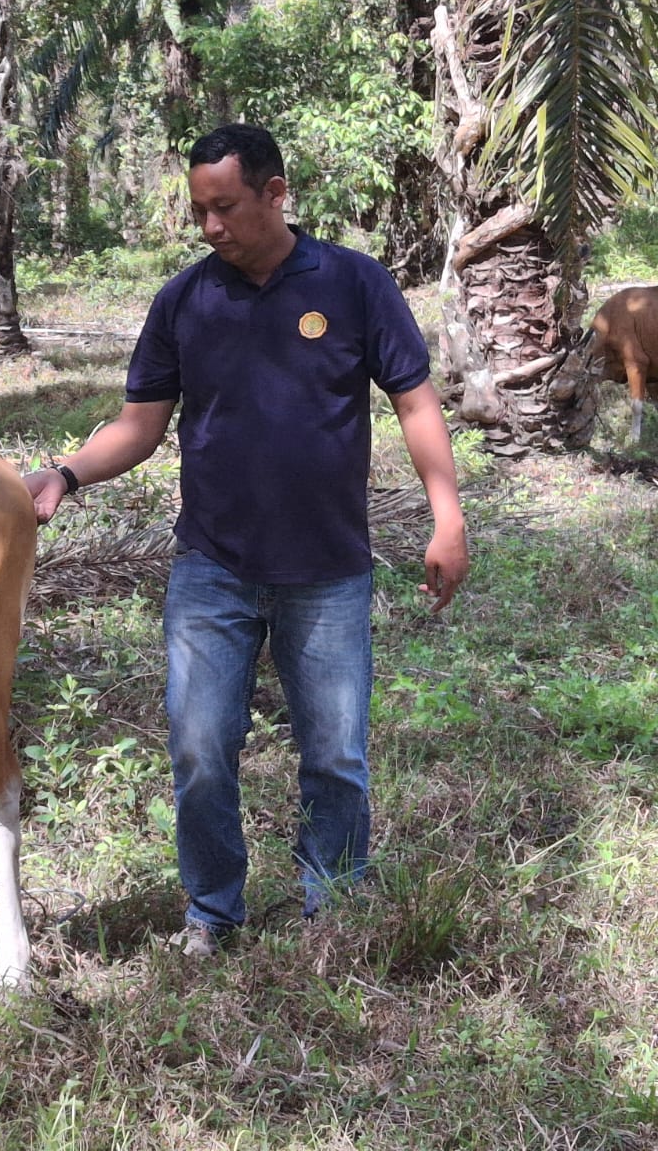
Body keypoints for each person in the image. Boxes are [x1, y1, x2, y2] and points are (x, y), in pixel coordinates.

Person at [25, 123, 469, 957]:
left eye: (225, 207)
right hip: (212, 569)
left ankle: (332, 905)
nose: (211, 228)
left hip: (327, 573)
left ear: (275, 193)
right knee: (199, 751)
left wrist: (447, 516)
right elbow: (139, 425)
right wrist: (66, 473)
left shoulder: (352, 283)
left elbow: (415, 403)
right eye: (199, 211)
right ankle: (212, 913)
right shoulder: (186, 301)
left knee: (335, 755)